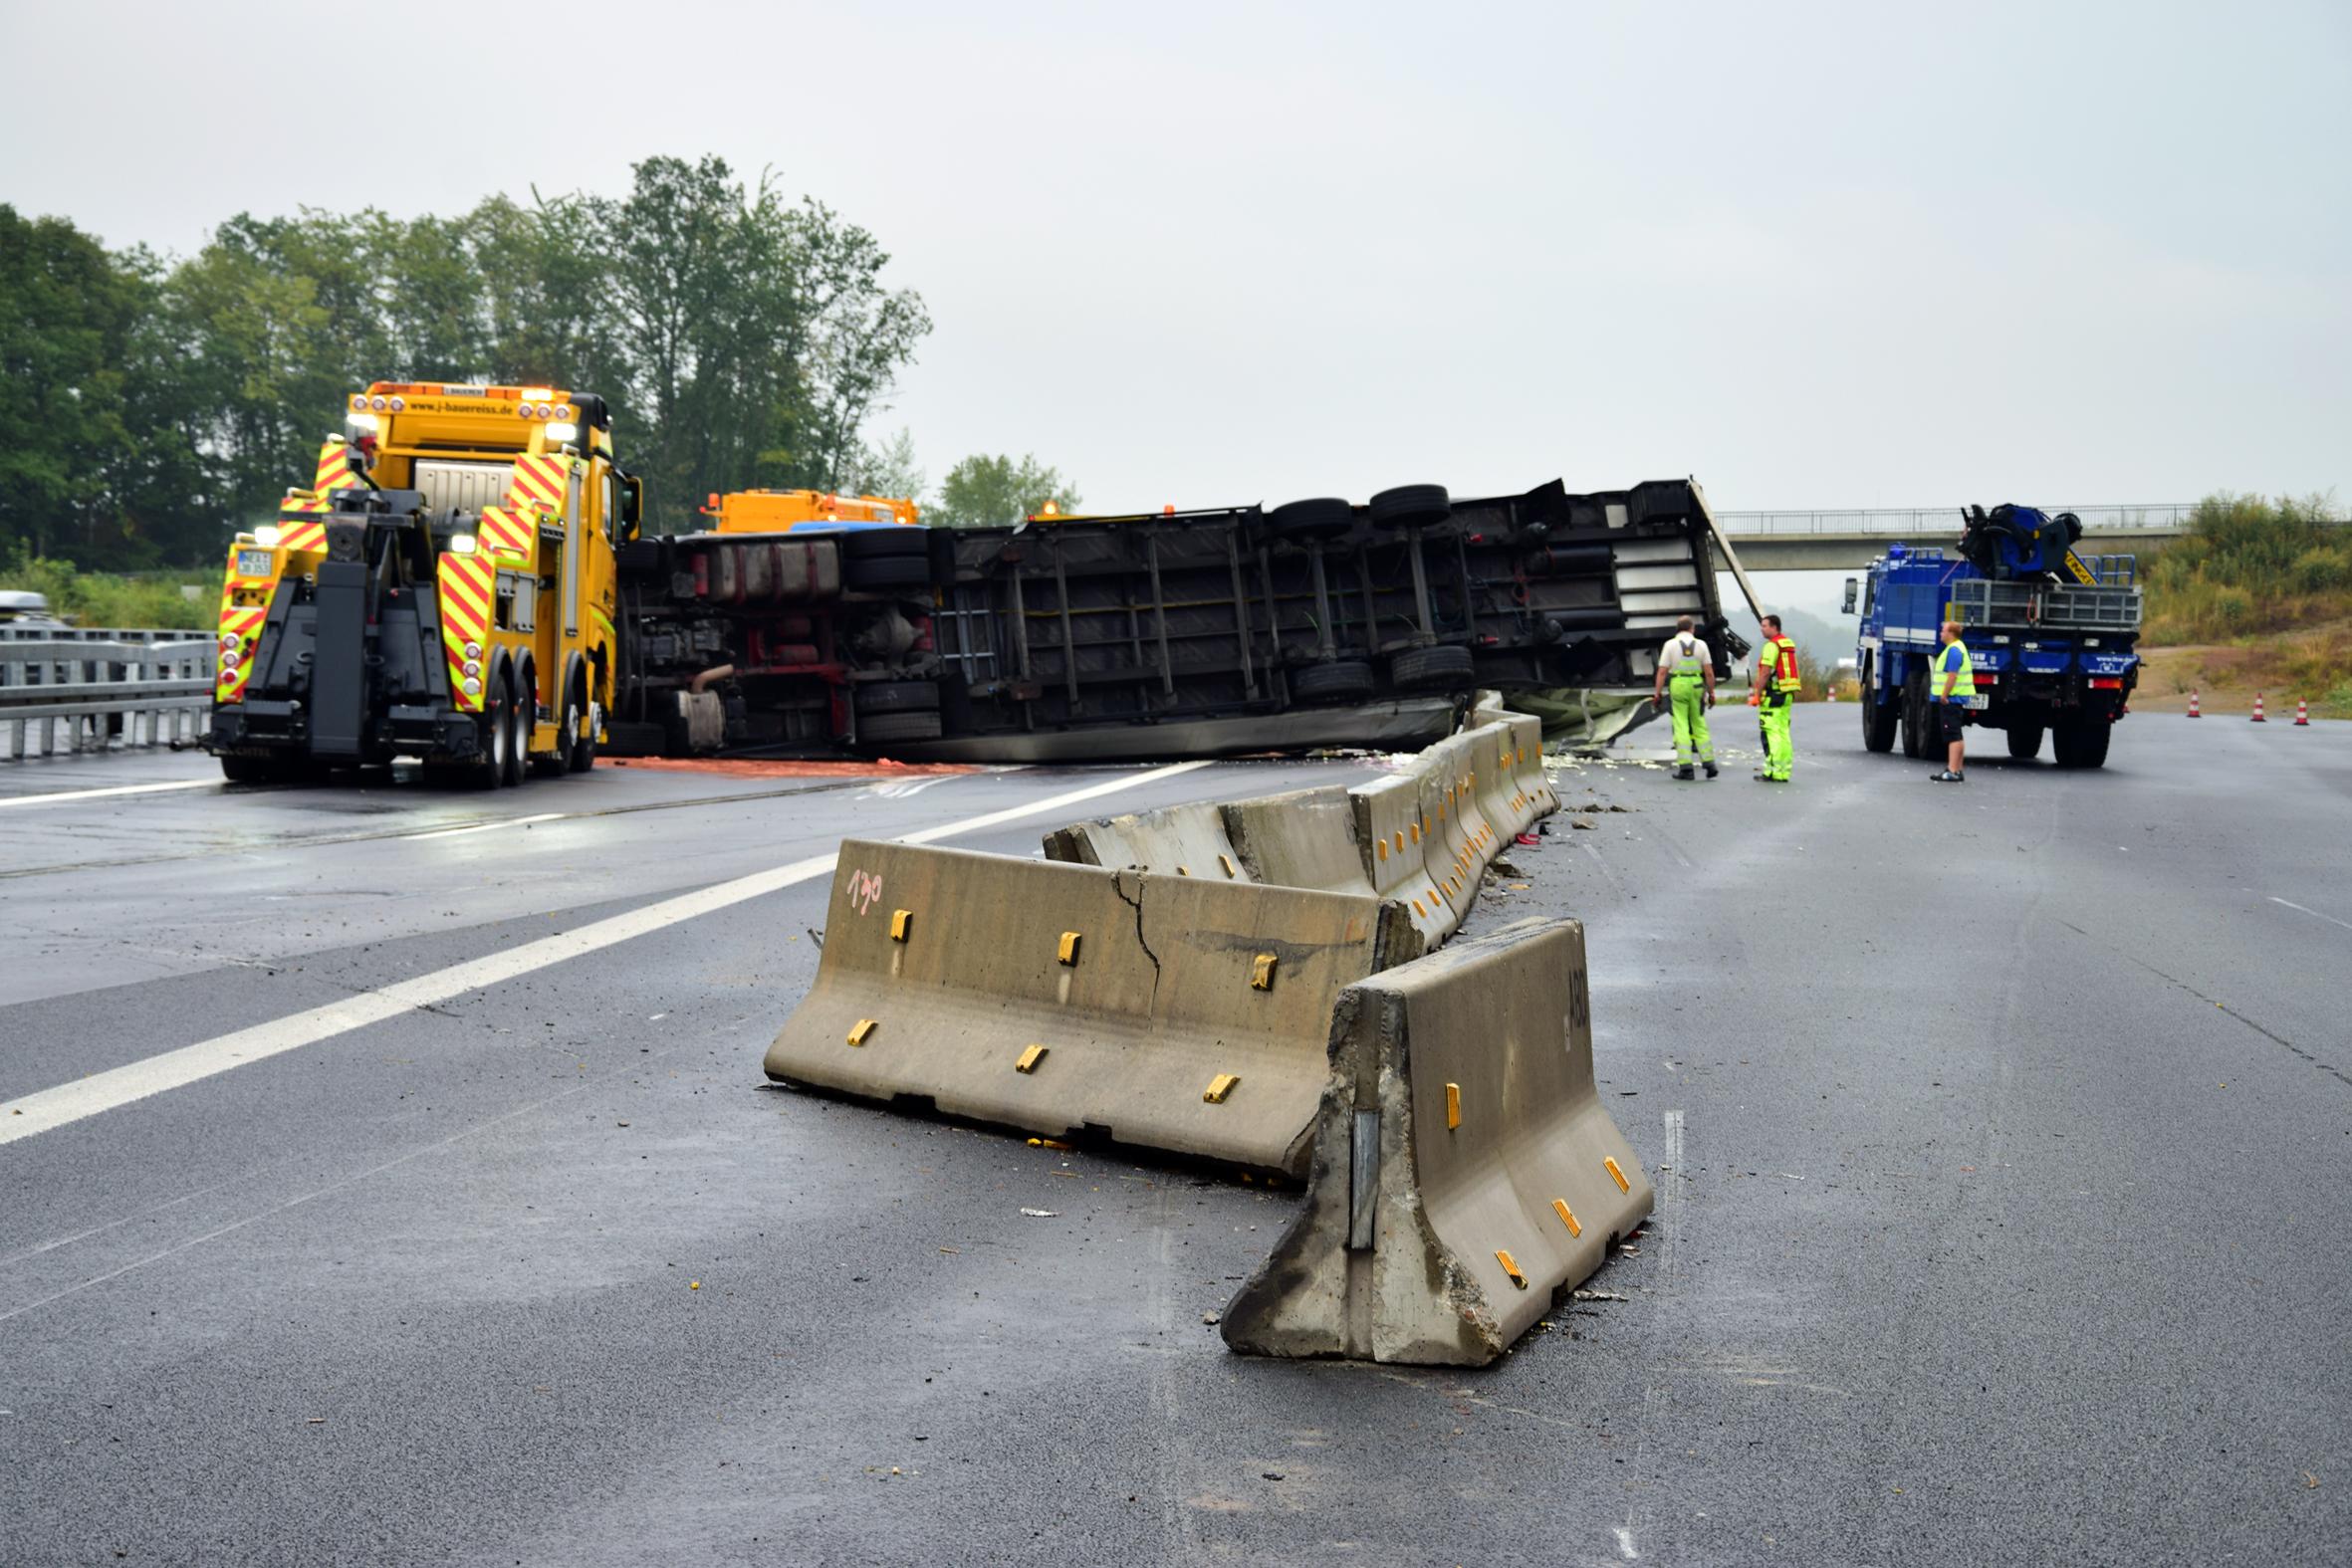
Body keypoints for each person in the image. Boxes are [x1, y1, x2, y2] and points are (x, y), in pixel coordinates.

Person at [1651, 615, 1718, 780]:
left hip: (1679, 684)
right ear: (1692, 629)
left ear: (1678, 629)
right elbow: (1709, 672)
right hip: (1696, 684)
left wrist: (1657, 693)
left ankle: (1686, 768)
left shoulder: (1670, 645)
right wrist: (1711, 692)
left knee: (1681, 724)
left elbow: (1662, 672)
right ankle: (1709, 763)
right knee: (1699, 723)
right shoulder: (1701, 644)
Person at [1752, 614, 1800, 783]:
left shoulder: (1771, 646)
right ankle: (1783, 772)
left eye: (1764, 626)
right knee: (1783, 734)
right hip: (1787, 693)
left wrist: (1757, 694)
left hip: (1773, 694)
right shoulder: (1787, 643)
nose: (1761, 629)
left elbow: (1765, 672)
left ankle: (1771, 772)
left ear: (1774, 627)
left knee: (1771, 734)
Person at [1929, 620, 1974, 783]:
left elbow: (1952, 675)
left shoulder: (1954, 650)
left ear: (1951, 634)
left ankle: (1952, 770)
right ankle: (1958, 769)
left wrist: (1944, 695)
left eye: (1943, 631)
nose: (1941, 633)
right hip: (1956, 698)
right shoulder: (1957, 647)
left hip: (1951, 698)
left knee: (1952, 736)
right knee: (1957, 735)